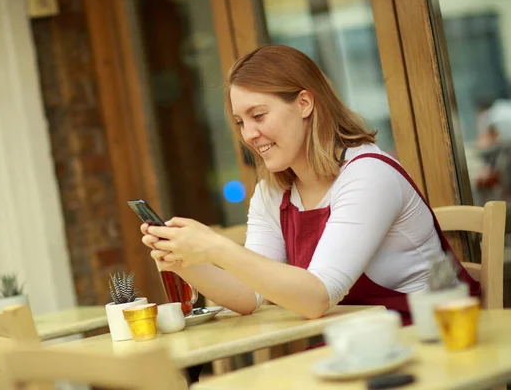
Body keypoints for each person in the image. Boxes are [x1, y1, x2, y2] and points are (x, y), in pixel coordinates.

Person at [141, 44, 480, 327]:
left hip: (434, 341)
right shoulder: (273, 192)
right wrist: (184, 261)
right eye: (240, 122)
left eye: (258, 116)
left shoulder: (368, 175)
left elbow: (316, 297)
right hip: (356, 345)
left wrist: (217, 248)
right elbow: (249, 296)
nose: (248, 134)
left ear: (304, 103)